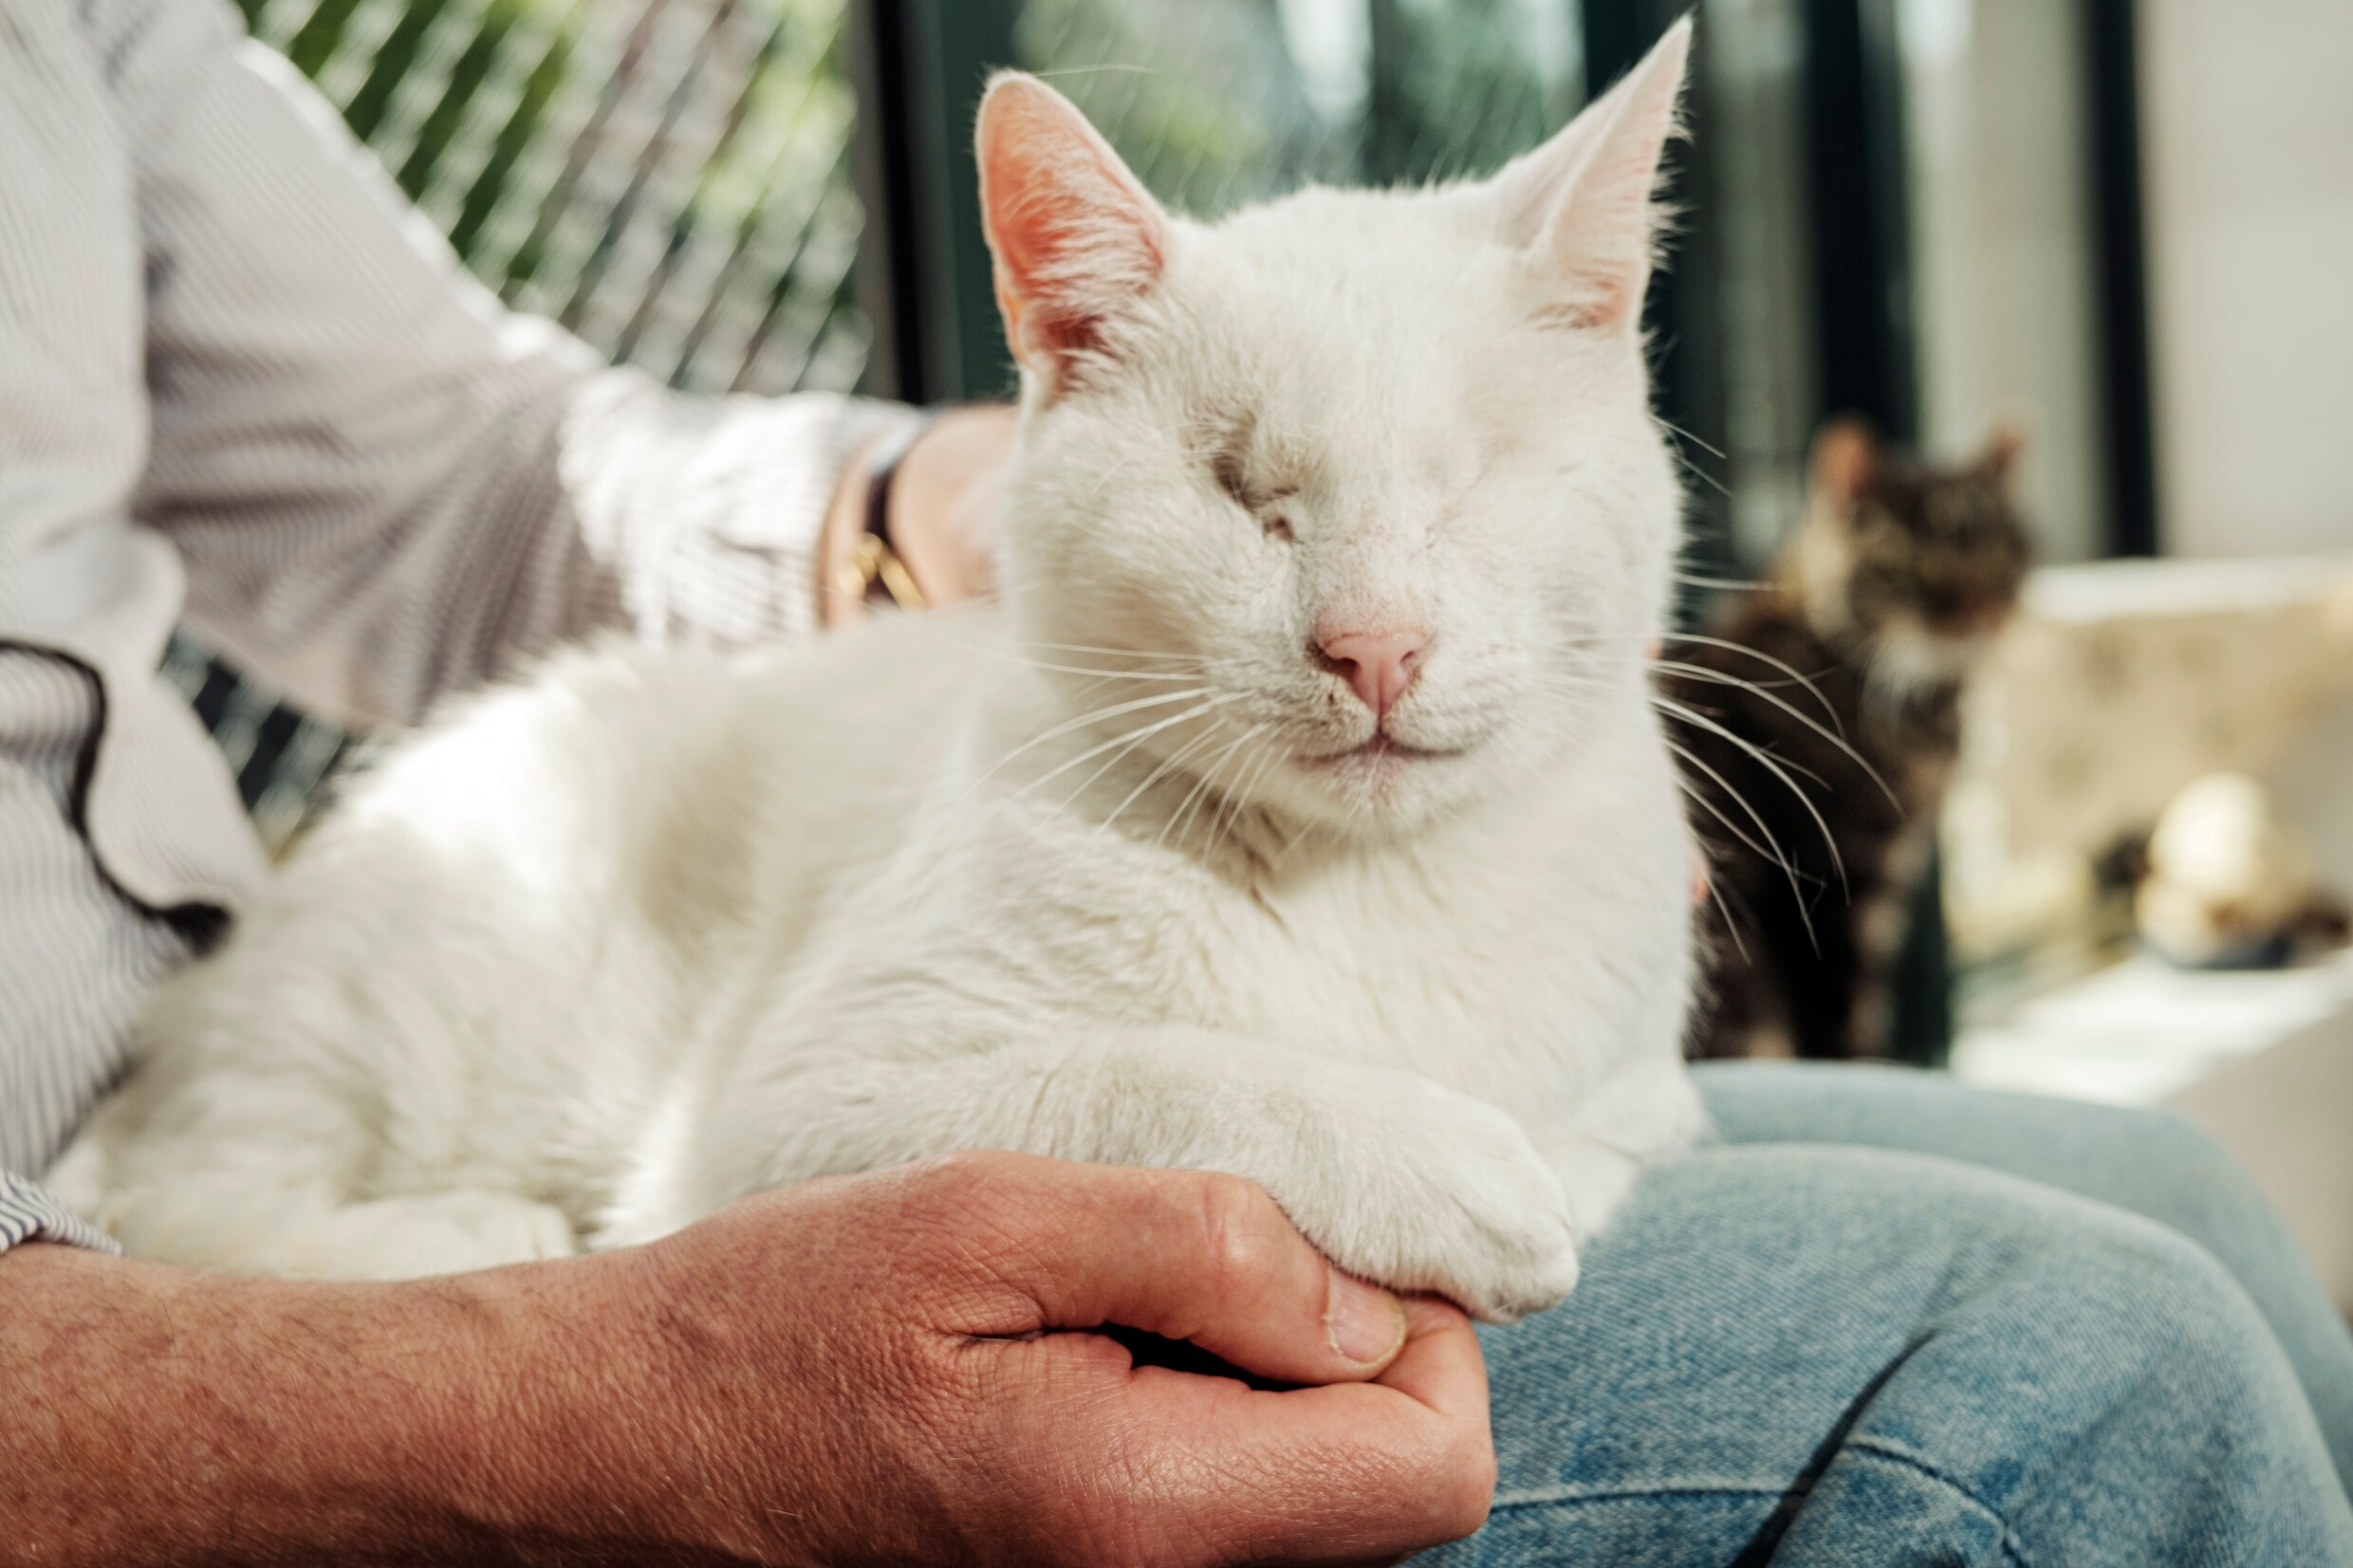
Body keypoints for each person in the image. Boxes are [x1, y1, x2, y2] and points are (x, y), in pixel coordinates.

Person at [4, 1, 2351, 1561]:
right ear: (1069, 336)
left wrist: (881, 504)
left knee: (2183, 1196)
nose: (1371, 629)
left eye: (1449, 511)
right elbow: (768, 1141)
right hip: (252, 1194)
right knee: (2097, 1370)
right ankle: (239, 1199)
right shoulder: (1060, 785)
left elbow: (446, 470)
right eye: (1258, 511)